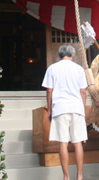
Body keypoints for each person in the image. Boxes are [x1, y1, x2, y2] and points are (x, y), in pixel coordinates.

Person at [42, 44, 87, 180]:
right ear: (72, 55)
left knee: (63, 142)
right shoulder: (79, 69)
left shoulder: (52, 68)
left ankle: (66, 176)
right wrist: (82, 108)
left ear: (59, 55)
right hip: (76, 107)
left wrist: (50, 109)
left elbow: (49, 90)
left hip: (60, 107)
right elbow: (83, 91)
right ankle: (79, 176)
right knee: (78, 141)